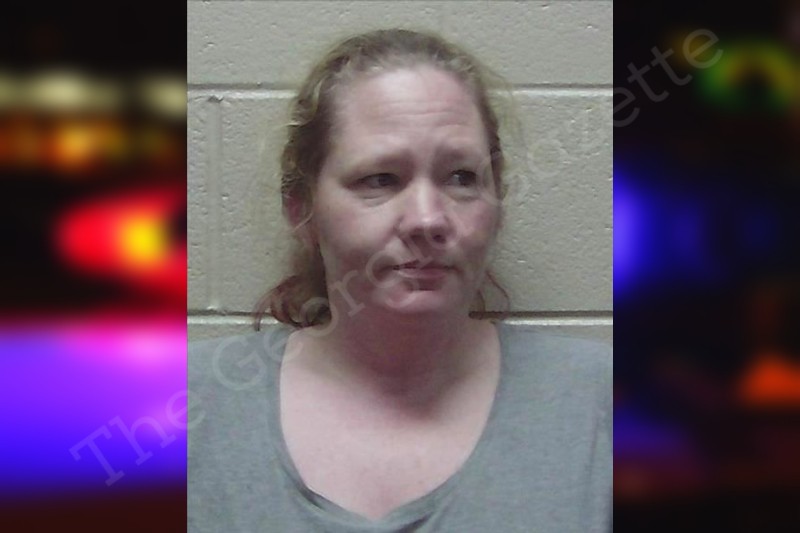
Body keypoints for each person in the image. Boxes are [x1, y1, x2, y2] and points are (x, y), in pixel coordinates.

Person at [188, 29, 611, 532]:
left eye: (461, 177)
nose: (428, 219)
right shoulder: (183, 409)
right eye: (380, 179)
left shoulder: (601, 405)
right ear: (301, 210)